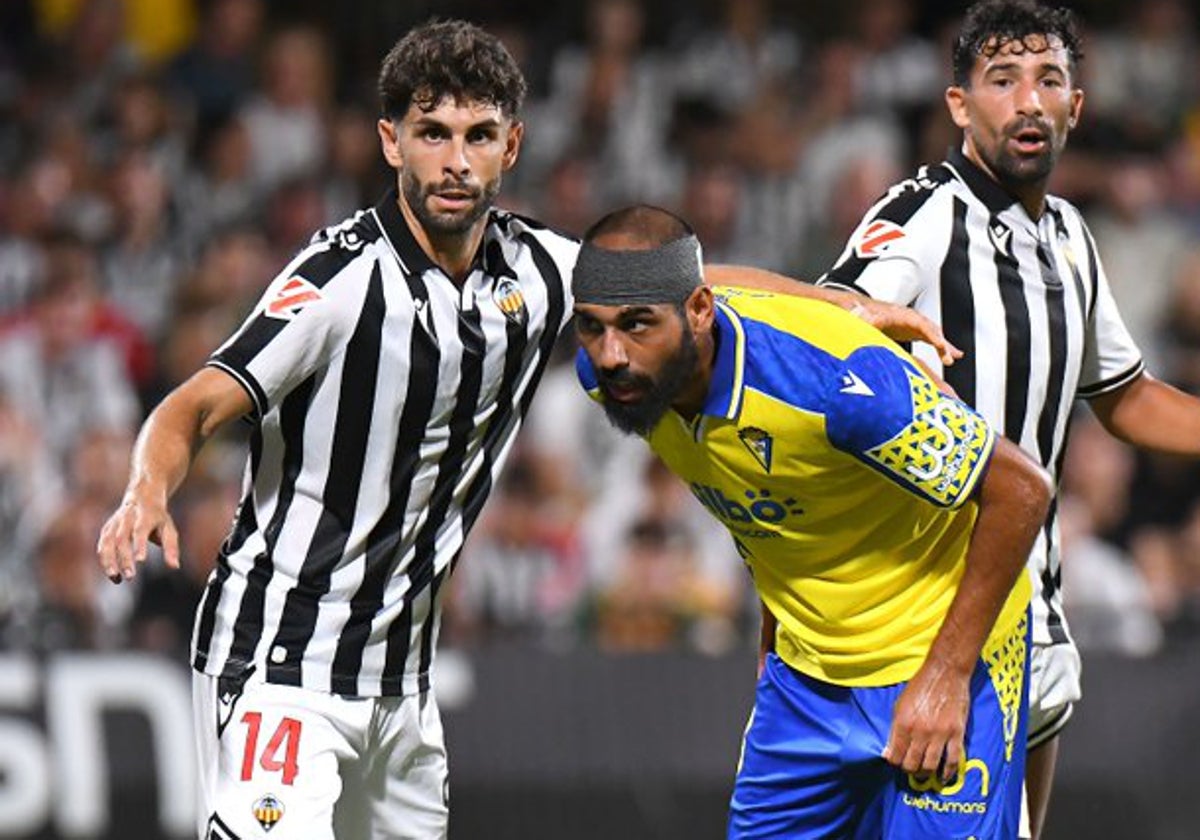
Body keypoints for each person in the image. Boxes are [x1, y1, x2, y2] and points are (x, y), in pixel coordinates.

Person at [93, 19, 954, 840]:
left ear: (512, 147)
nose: (455, 160)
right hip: (281, 665)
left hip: (403, 686)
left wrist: (845, 305)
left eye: (477, 135)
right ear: (391, 142)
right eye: (432, 133)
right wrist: (147, 487)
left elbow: (690, 278)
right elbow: (199, 399)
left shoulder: (537, 266)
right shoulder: (338, 280)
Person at [817, 1, 1200, 836]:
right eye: (1002, 81)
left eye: (1048, 80)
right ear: (959, 104)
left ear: (1077, 107)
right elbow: (829, 321)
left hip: (1037, 606)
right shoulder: (925, 210)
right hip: (931, 621)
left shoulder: (1068, 235)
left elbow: (1127, 398)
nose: (1028, 101)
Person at [571, 204, 1052, 838]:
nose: (611, 354)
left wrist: (946, 675)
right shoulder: (625, 381)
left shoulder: (839, 386)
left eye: (637, 325)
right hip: (806, 679)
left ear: (699, 312)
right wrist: (837, 301)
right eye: (592, 327)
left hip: (936, 654)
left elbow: (1021, 491)